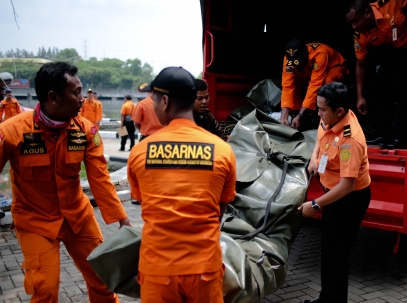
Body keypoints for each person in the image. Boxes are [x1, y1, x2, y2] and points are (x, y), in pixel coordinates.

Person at [0, 62, 131, 303]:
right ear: (53, 97)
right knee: (45, 290)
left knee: (104, 281)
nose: (83, 99)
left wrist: (123, 219)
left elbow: (100, 178)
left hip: (78, 217)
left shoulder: (85, 130)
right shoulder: (11, 132)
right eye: (76, 92)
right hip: (34, 220)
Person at [127, 66, 236, 303]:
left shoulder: (139, 152)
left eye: (154, 100)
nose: (154, 106)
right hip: (204, 267)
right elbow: (221, 207)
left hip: (157, 268)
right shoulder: (223, 151)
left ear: (164, 101)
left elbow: (148, 204)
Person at [299, 82, 371, 303]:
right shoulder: (329, 118)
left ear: (340, 111)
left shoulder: (351, 141)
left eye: (322, 109)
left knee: (337, 256)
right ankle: (326, 298)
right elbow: (320, 138)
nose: (318, 114)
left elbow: (346, 186)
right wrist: (314, 158)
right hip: (333, 194)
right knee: (329, 252)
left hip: (349, 199)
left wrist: (315, 204)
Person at [346, 0, 407, 149]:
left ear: (367, 13)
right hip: (396, 48)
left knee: (404, 86)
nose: (354, 26)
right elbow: (360, 64)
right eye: (351, 23)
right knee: (379, 88)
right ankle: (383, 133)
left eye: (355, 21)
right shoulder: (361, 34)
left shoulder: (390, 4)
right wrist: (359, 97)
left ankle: (401, 137)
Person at [281, 39, 348, 130]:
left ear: (305, 55)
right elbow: (287, 86)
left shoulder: (320, 53)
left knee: (326, 85)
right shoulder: (288, 58)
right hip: (310, 71)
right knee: (295, 83)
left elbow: (315, 85)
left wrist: (301, 114)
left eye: (297, 62)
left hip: (332, 67)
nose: (294, 66)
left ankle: (327, 117)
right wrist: (283, 116)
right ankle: (295, 115)